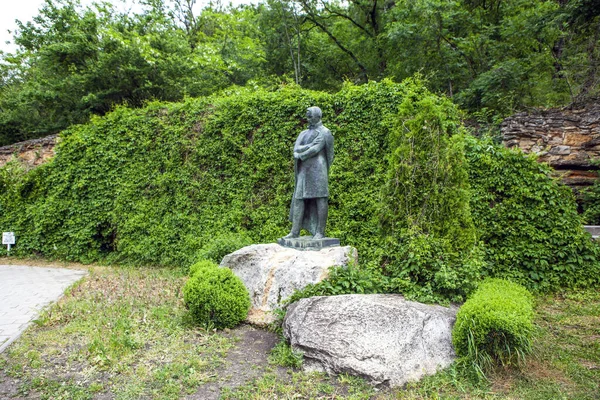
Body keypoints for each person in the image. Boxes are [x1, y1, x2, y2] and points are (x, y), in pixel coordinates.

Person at [284, 106, 334, 240]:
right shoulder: (303, 134)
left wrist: (300, 155)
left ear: (318, 116)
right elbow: (296, 148)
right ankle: (295, 231)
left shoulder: (325, 132)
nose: (308, 119)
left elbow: (316, 149)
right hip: (304, 170)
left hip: (318, 169)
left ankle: (320, 232)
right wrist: (305, 148)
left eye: (310, 116)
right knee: (299, 198)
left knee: (321, 198)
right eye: (307, 116)